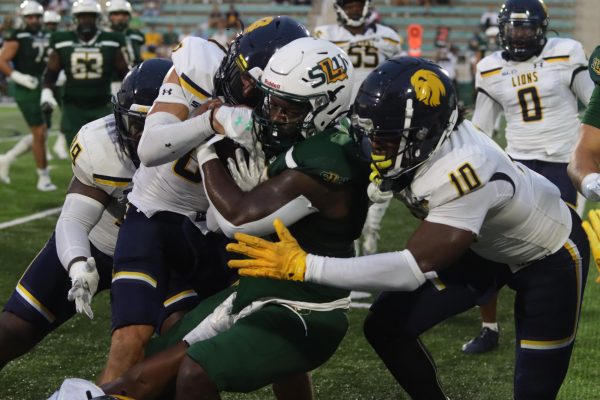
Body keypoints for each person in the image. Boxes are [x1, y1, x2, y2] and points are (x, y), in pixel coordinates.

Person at [226, 57, 589, 400]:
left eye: (385, 138)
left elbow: (409, 269)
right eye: (368, 131)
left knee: (534, 391)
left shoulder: (465, 168)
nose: (372, 144)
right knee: (386, 326)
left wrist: (306, 266)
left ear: (427, 133)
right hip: (483, 245)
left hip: (548, 254)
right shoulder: (413, 140)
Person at [80, 36, 368, 400]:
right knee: (154, 363)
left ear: (326, 106)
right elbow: (158, 155)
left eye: (289, 109)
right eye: (271, 101)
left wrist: (205, 147)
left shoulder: (324, 157)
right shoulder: (289, 129)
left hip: (305, 304)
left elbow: (236, 222)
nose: (274, 115)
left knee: (191, 371)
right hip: (256, 286)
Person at [96, 16, 312, 388]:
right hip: (155, 217)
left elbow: (236, 214)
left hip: (217, 229)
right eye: (241, 73)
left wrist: (258, 187)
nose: (242, 86)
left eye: (255, 84)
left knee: (274, 328)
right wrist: (211, 121)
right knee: (131, 338)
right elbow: (149, 149)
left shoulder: (285, 107)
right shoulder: (198, 62)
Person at [0, 58, 172, 372]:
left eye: (159, 125)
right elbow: (75, 218)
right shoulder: (102, 145)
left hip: (161, 256)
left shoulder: (202, 147)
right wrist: (78, 264)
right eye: (137, 124)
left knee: (161, 354)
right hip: (98, 246)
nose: (146, 137)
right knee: (15, 328)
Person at [465, 0, 593, 354]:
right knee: (488, 245)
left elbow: (593, 105)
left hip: (562, 164)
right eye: (513, 27)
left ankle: (553, 322)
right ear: (502, 29)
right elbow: (482, 129)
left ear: (542, 28)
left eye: (526, 27)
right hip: (515, 165)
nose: (519, 34)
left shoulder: (566, 52)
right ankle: (489, 327)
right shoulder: (489, 67)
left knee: (555, 250)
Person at [314, 0, 402, 256]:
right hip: (341, 116)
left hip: (378, 117)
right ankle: (349, 228)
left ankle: (372, 224)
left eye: (357, 4)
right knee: (345, 177)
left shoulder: (388, 37)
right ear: (340, 8)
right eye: (349, 5)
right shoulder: (326, 35)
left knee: (382, 174)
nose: (354, 9)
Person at [41, 0, 129, 146]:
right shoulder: (62, 40)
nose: (86, 20)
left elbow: (124, 73)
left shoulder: (112, 40)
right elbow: (51, 72)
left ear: (97, 18)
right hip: (73, 106)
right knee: (78, 154)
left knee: (105, 151)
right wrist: (46, 94)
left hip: (103, 104)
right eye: (82, 16)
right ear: (75, 18)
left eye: (90, 16)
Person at [0, 0, 56, 191]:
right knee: (39, 133)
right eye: (30, 17)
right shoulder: (17, 35)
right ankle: (43, 177)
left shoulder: (48, 34)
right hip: (26, 89)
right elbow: (2, 60)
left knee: (43, 132)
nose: (33, 20)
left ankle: (6, 159)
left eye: (37, 17)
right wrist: (18, 76)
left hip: (44, 87)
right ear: (24, 18)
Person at [106, 0, 144, 96]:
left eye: (124, 14)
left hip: (135, 80)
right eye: (116, 14)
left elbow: (138, 56)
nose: (120, 17)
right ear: (109, 16)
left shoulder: (136, 35)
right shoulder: (104, 36)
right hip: (111, 81)